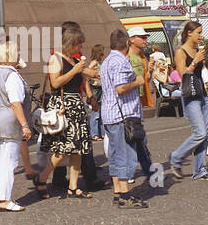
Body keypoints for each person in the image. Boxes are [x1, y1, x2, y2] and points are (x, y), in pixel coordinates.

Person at [35, 21, 98, 199]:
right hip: (64, 107)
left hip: (77, 106)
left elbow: (88, 76)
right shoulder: (56, 58)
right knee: (63, 149)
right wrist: (74, 71)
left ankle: (73, 186)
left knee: (78, 149)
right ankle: (41, 178)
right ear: (70, 43)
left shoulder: (74, 59)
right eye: (78, 44)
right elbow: (55, 83)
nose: (80, 47)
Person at [101, 28, 148, 208]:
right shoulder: (120, 61)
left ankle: (117, 190)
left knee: (114, 153)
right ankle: (125, 194)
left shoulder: (107, 61)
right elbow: (120, 88)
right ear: (127, 43)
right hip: (121, 114)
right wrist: (137, 81)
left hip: (110, 113)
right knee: (123, 154)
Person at [0, 41, 34, 212]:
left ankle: (3, 196)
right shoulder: (12, 75)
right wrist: (25, 125)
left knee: (1, 161)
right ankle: (4, 199)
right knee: (9, 162)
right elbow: (15, 103)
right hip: (9, 123)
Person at [168, 21, 208, 180]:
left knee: (204, 135)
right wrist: (194, 62)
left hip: (202, 94)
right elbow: (182, 74)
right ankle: (176, 157)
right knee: (199, 132)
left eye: (201, 32)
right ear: (189, 33)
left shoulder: (196, 50)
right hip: (190, 97)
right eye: (198, 33)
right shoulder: (181, 52)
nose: (201, 36)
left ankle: (200, 170)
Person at [124, 27, 156, 181]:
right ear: (131, 39)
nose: (145, 40)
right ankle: (132, 172)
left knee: (139, 137)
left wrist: (148, 71)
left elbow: (145, 80)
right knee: (134, 137)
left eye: (145, 37)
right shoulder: (127, 56)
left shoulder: (142, 56)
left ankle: (146, 170)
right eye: (142, 37)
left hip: (138, 101)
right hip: (128, 102)